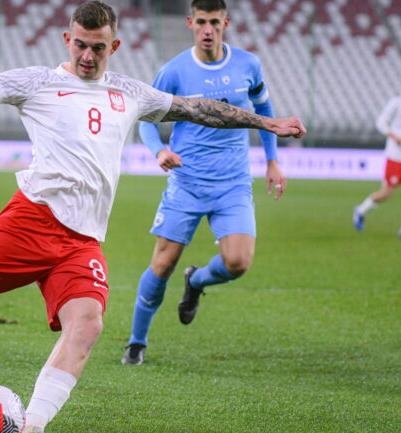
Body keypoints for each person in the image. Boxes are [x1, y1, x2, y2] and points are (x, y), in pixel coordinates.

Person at [0, 2, 305, 431]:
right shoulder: (37, 83)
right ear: (67, 40)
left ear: (115, 47)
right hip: (31, 223)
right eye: (81, 45)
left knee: (87, 325)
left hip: (82, 241)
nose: (88, 56)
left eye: (98, 48)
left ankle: (32, 426)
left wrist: (265, 123)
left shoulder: (129, 92)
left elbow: (197, 108)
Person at [121, 0, 287, 365]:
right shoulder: (174, 71)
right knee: (162, 265)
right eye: (201, 22)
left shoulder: (248, 64)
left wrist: (272, 161)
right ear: (190, 23)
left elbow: (265, 113)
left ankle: (196, 281)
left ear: (226, 22)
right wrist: (159, 151)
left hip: (233, 184)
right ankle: (136, 342)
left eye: (214, 22)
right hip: (187, 182)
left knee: (238, 262)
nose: (207, 29)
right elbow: (146, 120)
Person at [353, 73, 401, 239]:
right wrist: (393, 136)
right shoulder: (397, 103)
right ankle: (361, 210)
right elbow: (380, 122)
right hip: (396, 156)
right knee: (387, 193)